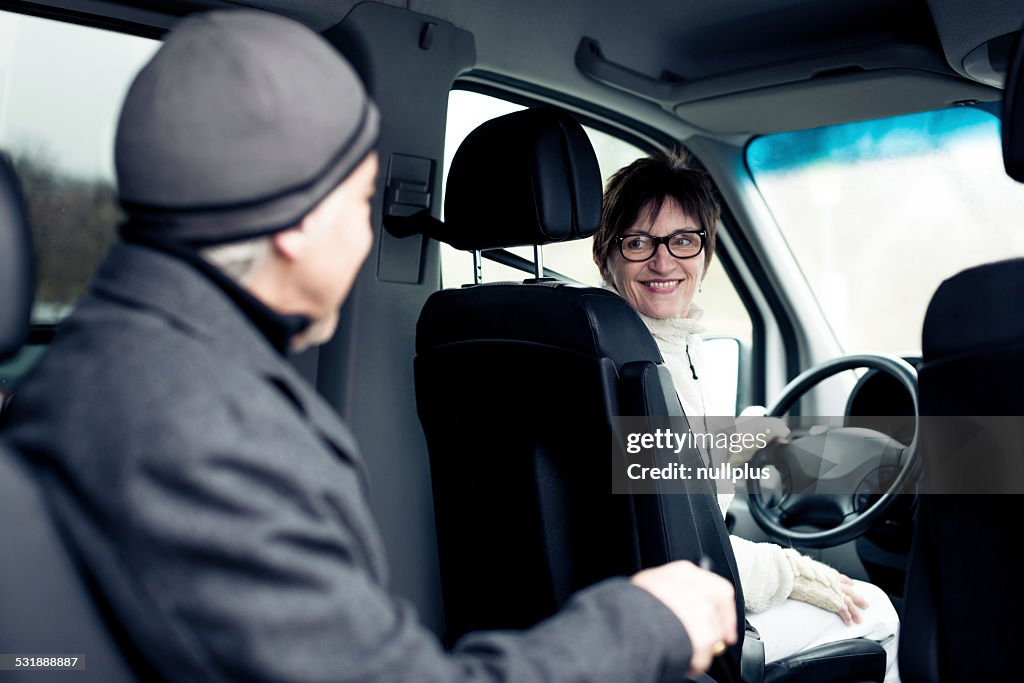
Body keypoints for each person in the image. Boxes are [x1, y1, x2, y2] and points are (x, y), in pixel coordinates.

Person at [1, 10, 738, 683]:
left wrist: (824, 459)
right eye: (360, 203)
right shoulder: (202, 430)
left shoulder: (86, 368)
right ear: (296, 224)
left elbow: (722, 464)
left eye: (683, 241)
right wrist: (652, 619)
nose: (663, 261)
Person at [592, 152, 901, 683]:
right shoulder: (636, 366)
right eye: (639, 242)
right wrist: (794, 572)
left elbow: (660, 487)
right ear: (607, 255)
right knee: (878, 612)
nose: (664, 263)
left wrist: (736, 443)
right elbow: (681, 546)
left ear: (706, 253)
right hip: (668, 610)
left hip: (614, 594)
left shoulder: (594, 340)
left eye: (683, 240)